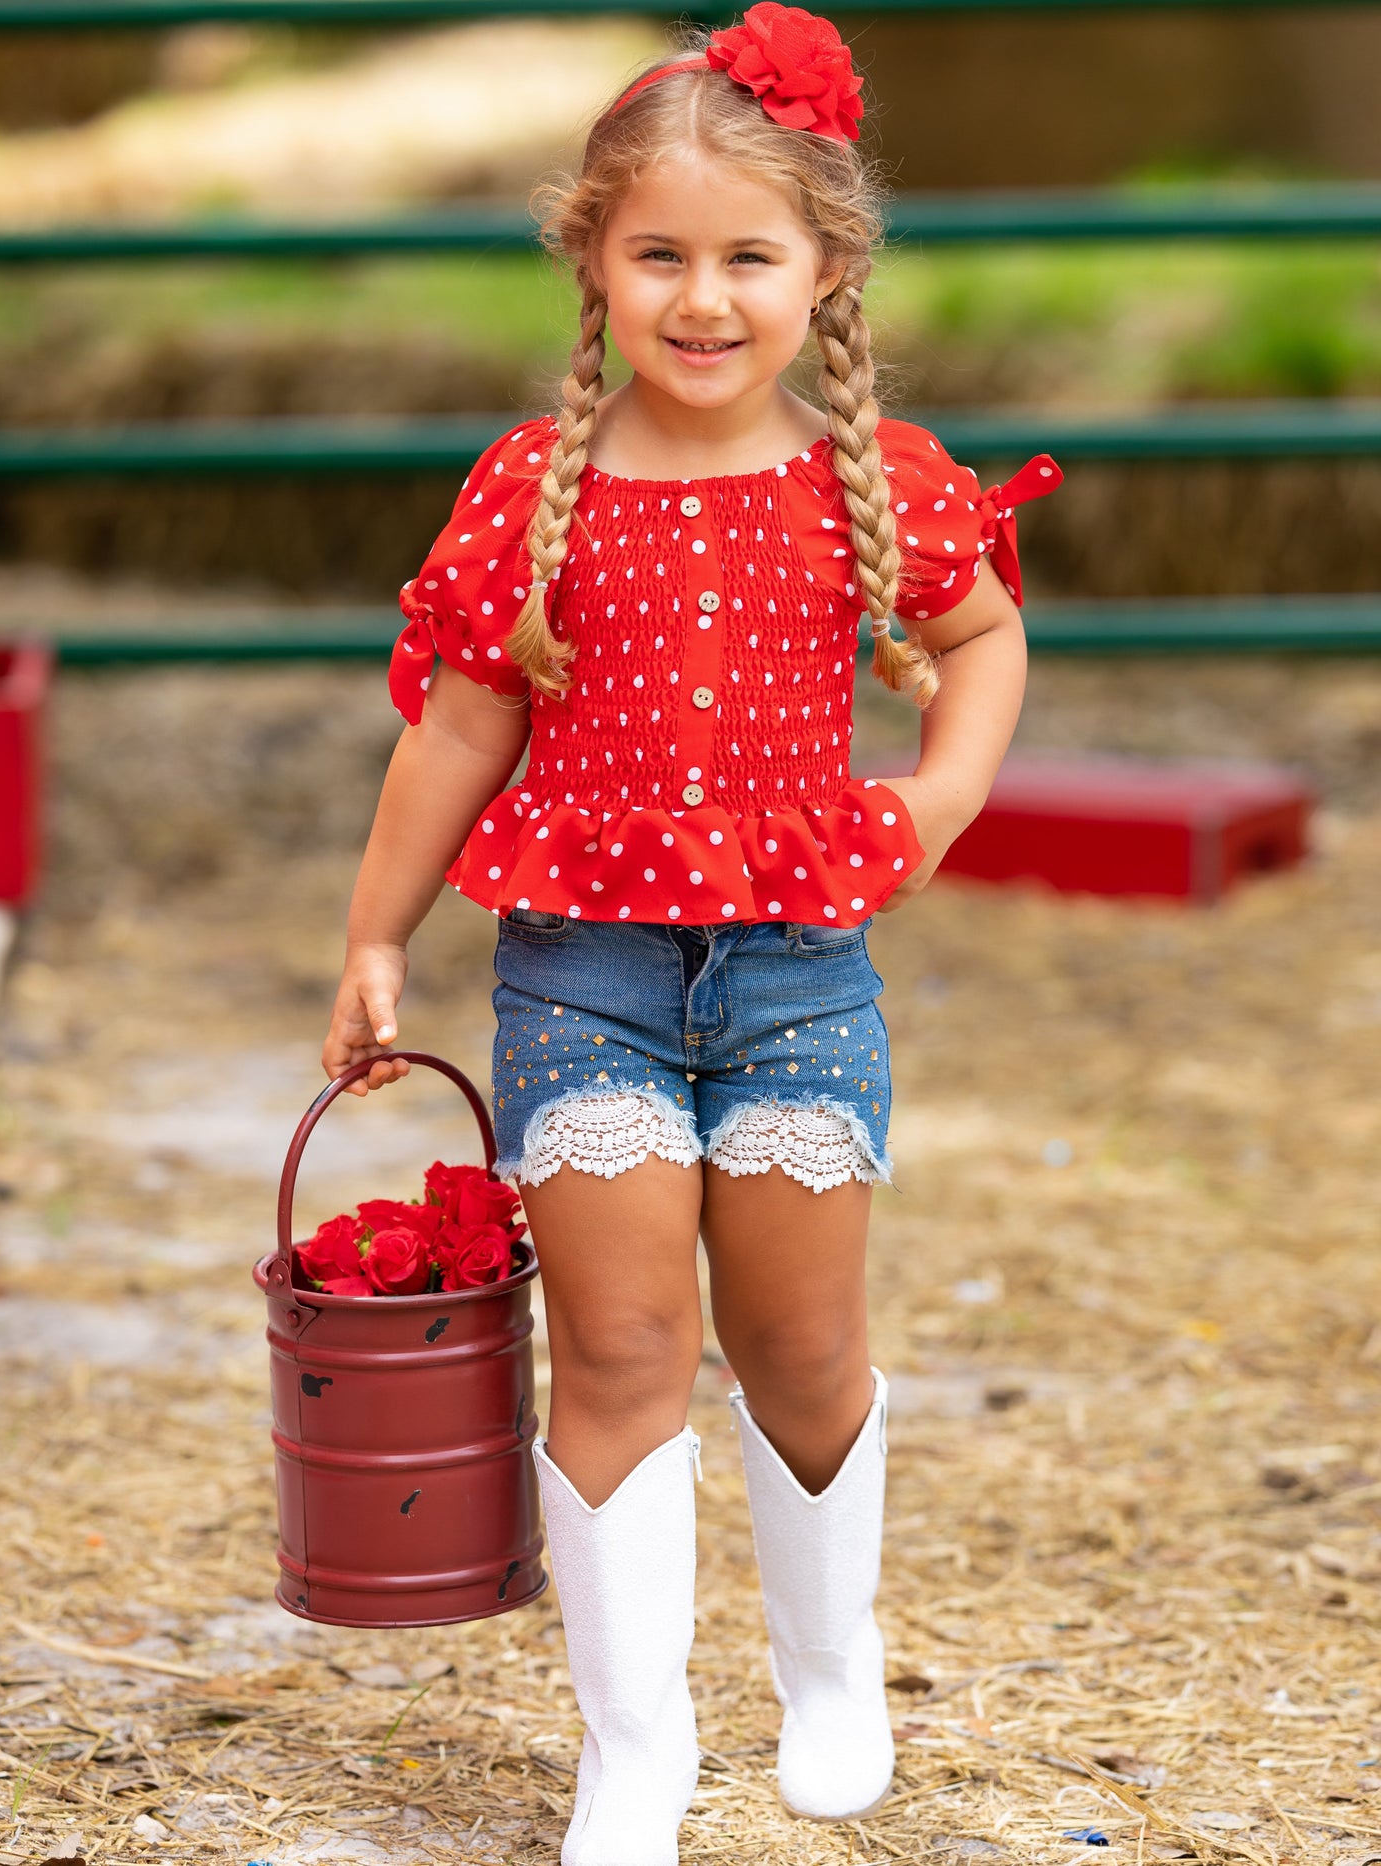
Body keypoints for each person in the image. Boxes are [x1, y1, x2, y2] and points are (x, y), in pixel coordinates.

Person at [322, 5, 1061, 1858]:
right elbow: (463, 725)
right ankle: (633, 1743)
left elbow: (977, 640)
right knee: (627, 1344)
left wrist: (940, 798)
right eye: (662, 253)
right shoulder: (534, 493)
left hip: (800, 976)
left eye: (751, 255)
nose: (706, 295)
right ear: (595, 259)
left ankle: (828, 1657)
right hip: (585, 973)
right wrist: (376, 933)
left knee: (801, 1346)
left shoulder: (869, 480)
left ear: (825, 268)